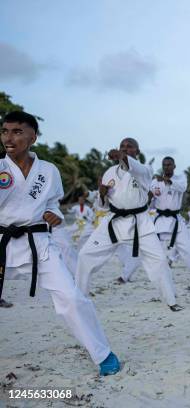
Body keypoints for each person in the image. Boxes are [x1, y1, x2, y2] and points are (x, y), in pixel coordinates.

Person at [0, 111, 120, 375]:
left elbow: (52, 200)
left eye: (17, 132)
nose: (9, 138)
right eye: (5, 131)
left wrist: (52, 213)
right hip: (3, 242)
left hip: (39, 243)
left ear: (33, 136)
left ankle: (102, 354)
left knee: (72, 297)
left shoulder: (48, 171)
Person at [76, 138, 183, 311]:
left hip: (140, 223)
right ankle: (79, 299)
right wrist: (102, 195)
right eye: (122, 147)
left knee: (160, 260)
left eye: (129, 147)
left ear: (137, 152)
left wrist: (121, 156)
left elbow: (133, 166)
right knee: (85, 255)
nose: (125, 149)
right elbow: (102, 206)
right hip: (114, 221)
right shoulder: (109, 172)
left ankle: (171, 301)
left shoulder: (145, 170)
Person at [149, 157, 190, 289]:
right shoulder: (155, 181)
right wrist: (153, 188)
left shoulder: (180, 178)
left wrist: (166, 180)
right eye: (164, 165)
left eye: (169, 165)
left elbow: (181, 188)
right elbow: (152, 195)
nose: (166, 167)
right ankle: (161, 282)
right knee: (156, 253)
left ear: (174, 166)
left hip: (176, 221)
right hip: (159, 221)